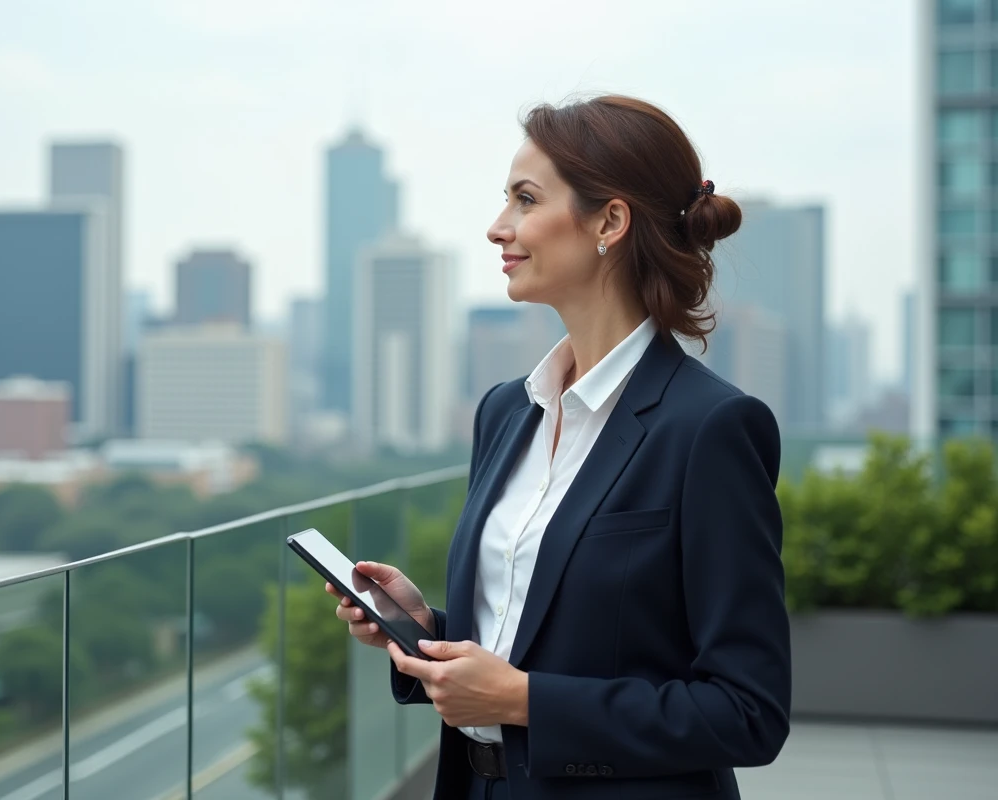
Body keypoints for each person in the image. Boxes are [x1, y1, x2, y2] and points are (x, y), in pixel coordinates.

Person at [328, 94, 790, 800]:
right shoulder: (506, 411)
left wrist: (524, 703)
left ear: (609, 221)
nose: (496, 228)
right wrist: (424, 632)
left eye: (524, 199)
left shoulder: (711, 430)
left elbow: (747, 711)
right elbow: (551, 634)